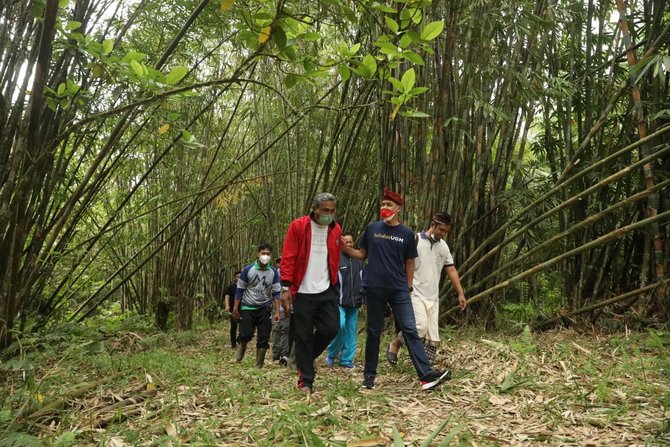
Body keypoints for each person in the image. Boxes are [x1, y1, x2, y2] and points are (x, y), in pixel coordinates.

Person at [341, 188, 451, 391]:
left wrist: (408, 286)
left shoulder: (407, 234)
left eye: (388, 205)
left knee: (410, 329)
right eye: (382, 204)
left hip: (399, 289)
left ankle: (426, 376)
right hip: (374, 287)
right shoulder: (372, 228)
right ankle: (369, 377)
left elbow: (410, 262)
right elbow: (361, 254)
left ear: (398, 208)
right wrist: (343, 247)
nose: (384, 208)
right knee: (374, 332)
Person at [280, 192, 342, 392]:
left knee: (331, 328)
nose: (329, 214)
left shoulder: (335, 229)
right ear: (315, 209)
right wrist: (285, 287)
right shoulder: (298, 226)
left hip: (326, 289)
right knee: (303, 335)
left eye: (332, 211)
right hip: (303, 291)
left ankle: (302, 358)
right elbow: (288, 256)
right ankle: (306, 380)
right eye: (325, 210)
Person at [386, 212, 467, 366]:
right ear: (433, 225)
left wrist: (460, 293)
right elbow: (401, 264)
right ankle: (395, 344)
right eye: (441, 230)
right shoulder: (415, 240)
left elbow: (451, 270)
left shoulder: (443, 246)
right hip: (414, 292)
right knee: (419, 326)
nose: (443, 234)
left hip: (433, 296)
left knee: (431, 333)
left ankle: (425, 366)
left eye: (445, 231)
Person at [233, 244, 281, 368]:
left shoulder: (274, 272)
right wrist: (235, 308)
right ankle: (242, 346)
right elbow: (240, 289)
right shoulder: (248, 270)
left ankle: (259, 365)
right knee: (246, 334)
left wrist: (277, 311)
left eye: (268, 254)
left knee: (264, 337)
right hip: (248, 307)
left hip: (264, 308)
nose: (265, 256)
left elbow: (276, 292)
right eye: (263, 253)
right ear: (258, 254)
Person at [325, 233, 364, 369]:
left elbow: (363, 280)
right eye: (346, 242)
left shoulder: (359, 260)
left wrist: (363, 297)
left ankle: (346, 360)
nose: (349, 244)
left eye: (351, 242)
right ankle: (332, 353)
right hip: (338, 301)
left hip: (355, 303)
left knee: (351, 331)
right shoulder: (336, 259)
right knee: (340, 326)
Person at [271, 257, 290, 365]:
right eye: (279, 262)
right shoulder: (274, 274)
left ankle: (283, 354)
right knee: (278, 330)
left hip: (286, 306)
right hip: (278, 306)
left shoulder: (289, 274)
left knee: (284, 330)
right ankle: (277, 354)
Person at [224, 271, 241, 348]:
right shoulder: (231, 287)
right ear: (235, 278)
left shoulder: (245, 287)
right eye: (237, 276)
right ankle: (233, 344)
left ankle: (239, 340)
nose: (239, 278)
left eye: (240, 276)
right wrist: (227, 306)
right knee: (233, 327)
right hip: (233, 309)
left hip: (244, 309)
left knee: (245, 327)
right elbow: (227, 296)